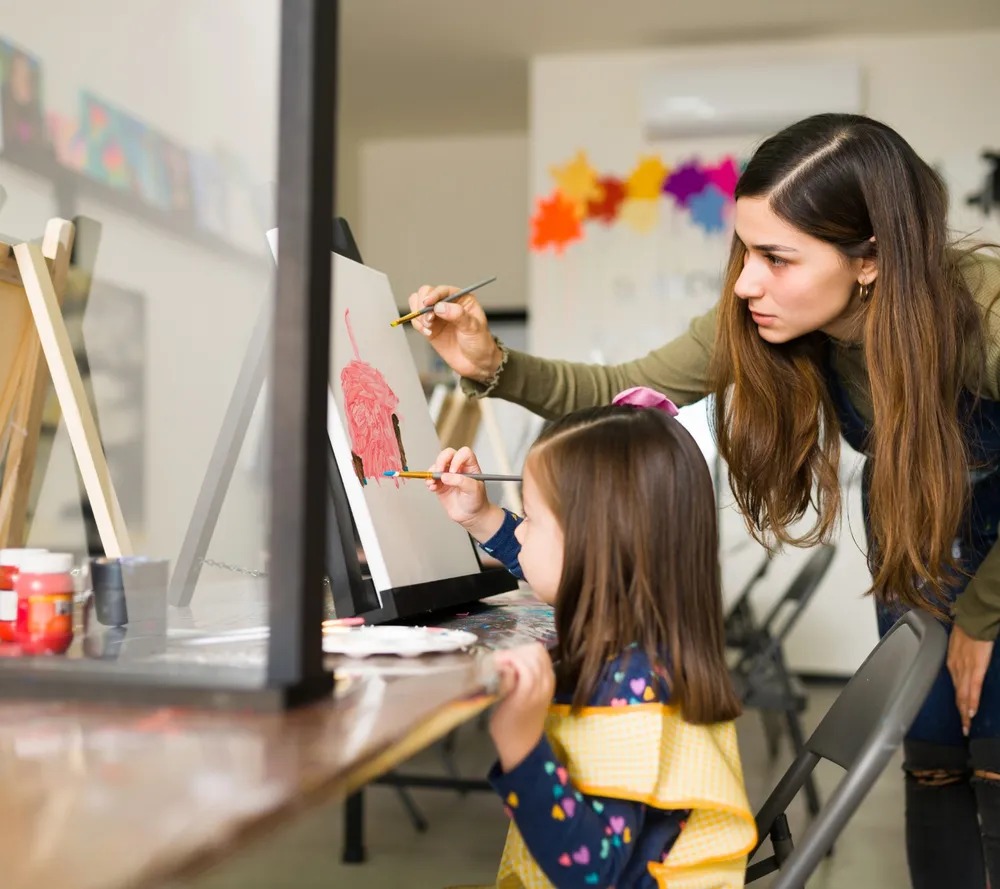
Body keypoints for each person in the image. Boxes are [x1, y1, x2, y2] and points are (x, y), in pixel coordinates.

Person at [411, 113, 1000, 889]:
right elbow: (615, 388)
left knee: (992, 756)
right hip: (915, 528)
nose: (748, 281)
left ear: (872, 259)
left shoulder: (981, 309)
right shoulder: (769, 318)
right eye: (745, 250)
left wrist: (982, 614)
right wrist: (491, 362)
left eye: (778, 257)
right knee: (930, 762)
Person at [429, 387, 755, 889]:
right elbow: (556, 569)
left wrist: (520, 742)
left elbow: (591, 873)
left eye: (531, 520)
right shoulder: (641, 628)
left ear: (596, 548)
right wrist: (482, 518)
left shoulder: (632, 687)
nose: (520, 534)